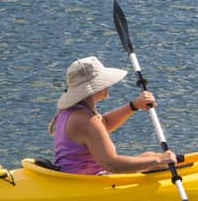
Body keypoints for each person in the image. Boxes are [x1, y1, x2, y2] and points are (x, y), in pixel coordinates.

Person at [49, 56, 177, 174]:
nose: (108, 85)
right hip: (87, 183)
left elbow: (103, 125)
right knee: (155, 162)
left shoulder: (73, 111)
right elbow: (111, 164)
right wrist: (159, 160)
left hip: (76, 177)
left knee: (149, 156)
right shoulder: (85, 120)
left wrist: (134, 105)